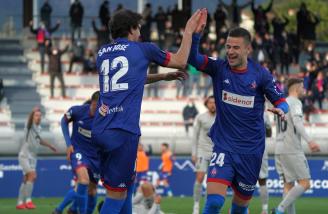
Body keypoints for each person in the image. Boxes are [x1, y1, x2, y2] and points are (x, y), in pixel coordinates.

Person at [91, 9, 204, 213]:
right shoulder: (144, 49)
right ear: (131, 29)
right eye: (139, 28)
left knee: (124, 187)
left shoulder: (102, 53)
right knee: (116, 196)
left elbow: (128, 81)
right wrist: (188, 32)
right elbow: (180, 61)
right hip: (122, 130)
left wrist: (161, 77)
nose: (140, 32)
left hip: (100, 128)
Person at [188, 10, 288, 214]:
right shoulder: (219, 67)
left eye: (235, 47)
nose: (230, 51)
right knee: (214, 202)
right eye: (227, 47)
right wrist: (196, 35)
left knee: (240, 208)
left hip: (251, 151)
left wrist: (281, 109)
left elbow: (281, 100)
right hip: (224, 147)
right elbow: (193, 59)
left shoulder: (261, 75)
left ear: (248, 49)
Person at [272, 78, 320, 214]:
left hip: (279, 148)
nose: (303, 90)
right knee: (305, 183)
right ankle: (279, 209)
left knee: (288, 186)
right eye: (302, 87)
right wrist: (310, 141)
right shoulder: (295, 102)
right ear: (296, 88)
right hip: (292, 148)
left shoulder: (281, 103)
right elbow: (297, 123)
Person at [52, 92, 100, 214]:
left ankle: (70, 209)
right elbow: (64, 121)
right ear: (91, 102)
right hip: (79, 151)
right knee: (83, 181)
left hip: (96, 157)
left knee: (92, 190)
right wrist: (69, 144)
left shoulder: (105, 118)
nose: (97, 109)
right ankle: (62, 210)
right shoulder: (77, 111)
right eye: (96, 105)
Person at [16, 108, 57, 209]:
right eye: (36, 115)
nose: (38, 117)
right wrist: (32, 112)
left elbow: (39, 140)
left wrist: (49, 146)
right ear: (32, 117)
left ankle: (20, 203)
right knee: (32, 175)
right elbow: (30, 120)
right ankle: (28, 201)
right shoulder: (29, 126)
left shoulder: (38, 128)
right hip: (24, 155)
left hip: (33, 156)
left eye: (40, 115)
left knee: (26, 179)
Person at [192, 95, 216, 214]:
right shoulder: (201, 117)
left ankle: (207, 205)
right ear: (207, 104)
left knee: (212, 181)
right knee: (200, 178)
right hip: (202, 151)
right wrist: (194, 153)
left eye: (214, 102)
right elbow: (194, 136)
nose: (212, 104)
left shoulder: (221, 117)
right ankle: (196, 205)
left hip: (216, 153)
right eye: (210, 102)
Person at [98, 182, 163, 214]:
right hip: (151, 210)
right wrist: (156, 203)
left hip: (144, 205)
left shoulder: (124, 208)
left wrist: (141, 193)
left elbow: (132, 202)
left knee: (145, 186)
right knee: (145, 187)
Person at [258, 110, 272, 214]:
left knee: (262, 179)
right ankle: (264, 209)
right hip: (246, 149)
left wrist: (267, 127)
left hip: (260, 149)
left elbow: (269, 133)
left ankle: (265, 209)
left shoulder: (264, 114)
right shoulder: (264, 114)